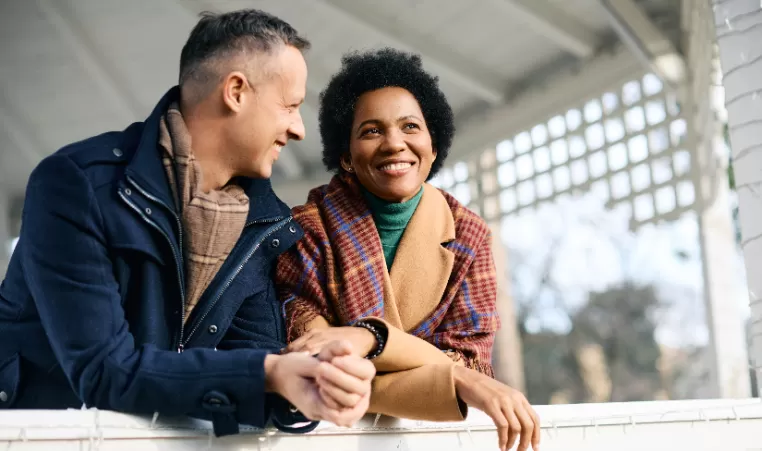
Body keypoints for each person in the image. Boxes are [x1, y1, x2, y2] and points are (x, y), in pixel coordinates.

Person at [0, 9, 375, 437]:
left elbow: (253, 357)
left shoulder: (264, 223)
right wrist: (270, 372)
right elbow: (104, 369)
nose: (298, 129)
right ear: (236, 91)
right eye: (290, 106)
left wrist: (311, 388)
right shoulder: (74, 185)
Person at [275, 48, 541, 451]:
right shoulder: (304, 229)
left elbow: (470, 362)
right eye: (371, 131)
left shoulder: (470, 236)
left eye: (411, 126)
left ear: (433, 146)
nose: (394, 143)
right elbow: (318, 364)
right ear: (345, 157)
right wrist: (450, 379)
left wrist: (366, 342)